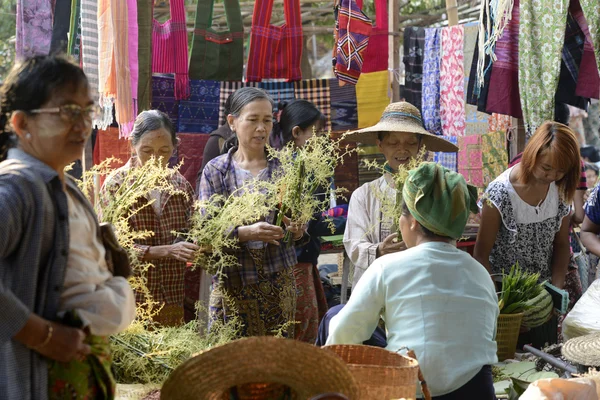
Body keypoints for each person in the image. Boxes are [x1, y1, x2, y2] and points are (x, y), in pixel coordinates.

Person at [0, 55, 135, 400]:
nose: (83, 126)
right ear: (21, 124)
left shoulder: (64, 185)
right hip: (36, 379)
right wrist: (42, 335)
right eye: (67, 112)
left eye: (87, 111)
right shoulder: (17, 188)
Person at [326, 163, 499, 399]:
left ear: (413, 222)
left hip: (416, 389)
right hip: (477, 390)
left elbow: (342, 336)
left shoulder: (387, 267)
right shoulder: (479, 273)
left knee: (333, 317)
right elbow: (486, 335)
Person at [198, 87, 306, 338]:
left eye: (267, 120)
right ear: (233, 123)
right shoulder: (216, 171)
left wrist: (298, 230)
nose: (261, 128)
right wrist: (245, 233)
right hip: (232, 281)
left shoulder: (286, 167)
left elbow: (299, 222)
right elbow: (206, 232)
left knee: (275, 360)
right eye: (253, 120)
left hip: (277, 279)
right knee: (233, 363)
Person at [341, 101, 458, 288]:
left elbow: (448, 243)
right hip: (376, 288)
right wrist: (379, 250)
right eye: (393, 142)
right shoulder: (363, 195)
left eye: (411, 142)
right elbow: (353, 244)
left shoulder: (435, 192)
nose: (402, 150)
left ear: (421, 146)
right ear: (380, 145)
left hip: (424, 285)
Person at [99, 110, 197, 326]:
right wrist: (167, 251)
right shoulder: (116, 186)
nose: (155, 160)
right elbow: (109, 248)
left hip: (171, 296)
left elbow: (195, 231)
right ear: (132, 146)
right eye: (146, 151)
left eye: (164, 151)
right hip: (132, 299)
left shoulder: (180, 185)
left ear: (174, 147)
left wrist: (200, 244)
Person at [475, 121, 581, 288]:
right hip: (506, 291)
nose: (552, 176)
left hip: (545, 289)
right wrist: (500, 300)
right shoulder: (499, 194)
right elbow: (481, 255)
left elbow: (561, 244)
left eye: (561, 171)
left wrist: (556, 288)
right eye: (546, 167)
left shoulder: (559, 189)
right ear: (533, 155)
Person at [276, 99, 330, 343]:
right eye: (317, 133)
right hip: (293, 267)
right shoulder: (284, 170)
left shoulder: (304, 167)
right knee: (301, 334)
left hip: (303, 263)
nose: (322, 140)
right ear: (297, 133)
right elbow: (315, 221)